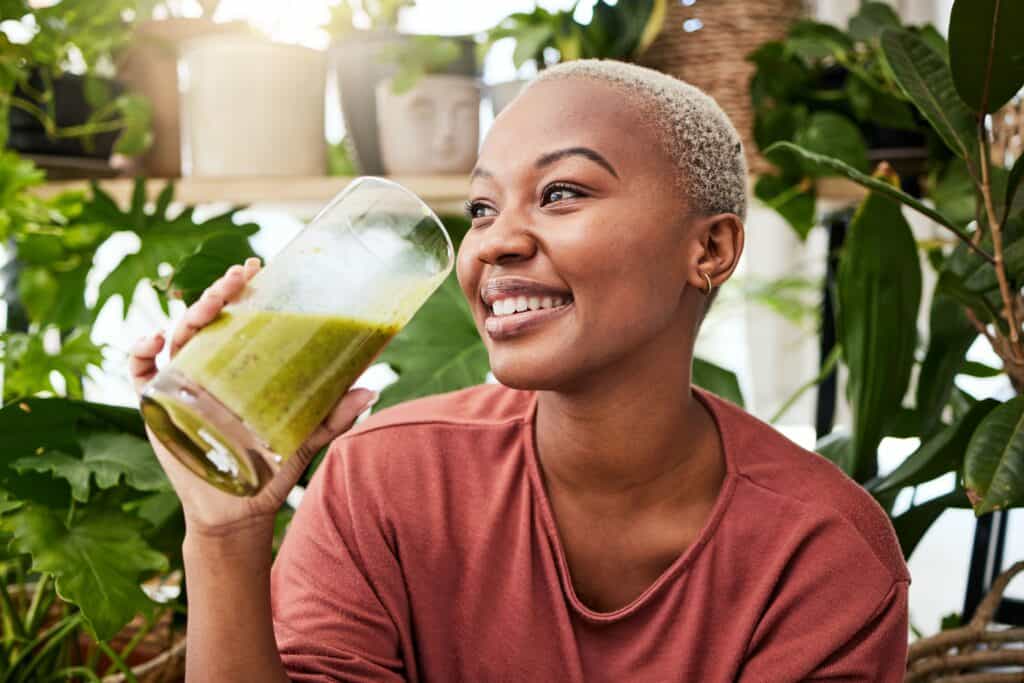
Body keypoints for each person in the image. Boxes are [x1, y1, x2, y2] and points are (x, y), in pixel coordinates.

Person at [130, 59, 910, 682]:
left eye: (561, 192)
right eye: (479, 208)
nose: (496, 241)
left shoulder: (822, 554)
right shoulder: (384, 481)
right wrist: (222, 532)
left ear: (709, 250)